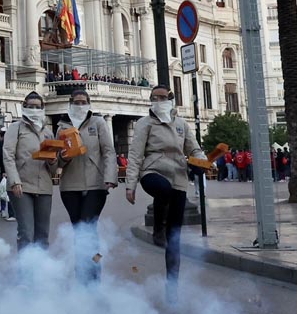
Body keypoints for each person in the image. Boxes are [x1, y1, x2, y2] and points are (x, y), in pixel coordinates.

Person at [125, 85, 204, 298]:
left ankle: (172, 288)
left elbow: (193, 148)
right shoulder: (144, 124)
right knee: (163, 190)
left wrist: (202, 160)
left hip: (178, 176)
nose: (158, 100)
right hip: (153, 171)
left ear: (171, 99)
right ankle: (157, 226)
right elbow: (134, 155)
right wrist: (130, 185)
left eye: (163, 97)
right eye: (154, 97)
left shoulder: (181, 125)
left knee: (175, 236)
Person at [57, 89, 116, 283]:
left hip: (96, 184)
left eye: (83, 102)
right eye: (76, 102)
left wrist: (110, 176)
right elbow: (57, 160)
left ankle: (93, 274)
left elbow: (108, 151)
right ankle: (81, 274)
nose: (80, 105)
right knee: (78, 230)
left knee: (88, 228)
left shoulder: (98, 123)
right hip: (70, 186)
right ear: (70, 103)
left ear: (89, 104)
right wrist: (63, 158)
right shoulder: (62, 126)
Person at [3, 92, 55, 251]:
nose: (34, 109)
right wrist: (14, 180)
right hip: (22, 186)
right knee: (27, 232)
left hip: (44, 186)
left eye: (37, 107)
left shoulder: (47, 132)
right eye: (30, 106)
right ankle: (25, 273)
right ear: (24, 107)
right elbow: (8, 155)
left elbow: (53, 166)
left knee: (43, 234)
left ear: (42, 109)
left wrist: (53, 161)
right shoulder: (16, 128)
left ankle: (41, 271)